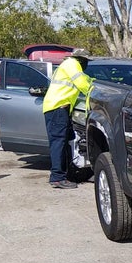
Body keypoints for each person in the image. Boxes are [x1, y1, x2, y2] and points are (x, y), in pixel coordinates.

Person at [43, 48, 93, 188]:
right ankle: (57, 178)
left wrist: (94, 82)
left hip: (58, 108)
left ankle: (67, 174)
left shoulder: (67, 65)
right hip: (58, 108)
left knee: (64, 142)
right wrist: (95, 91)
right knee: (58, 142)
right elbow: (84, 84)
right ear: (81, 59)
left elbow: (86, 80)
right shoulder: (72, 64)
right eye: (86, 61)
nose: (86, 64)